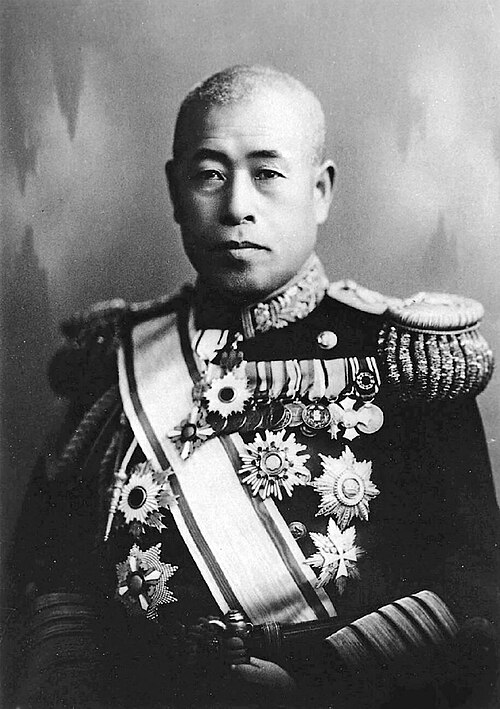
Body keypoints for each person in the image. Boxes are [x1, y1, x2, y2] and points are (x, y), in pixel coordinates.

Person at [8, 65, 500, 708]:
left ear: (320, 192)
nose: (238, 206)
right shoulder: (114, 362)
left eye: (267, 173)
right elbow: (52, 586)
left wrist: (319, 681)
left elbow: (471, 591)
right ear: (175, 191)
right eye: (210, 175)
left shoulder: (406, 360)